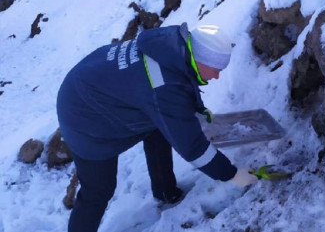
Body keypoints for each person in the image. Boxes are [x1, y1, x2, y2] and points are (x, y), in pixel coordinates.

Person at [56, 23, 258, 232]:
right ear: (200, 60)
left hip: (92, 82)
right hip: (83, 115)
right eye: (216, 69)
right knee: (98, 190)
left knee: (159, 127)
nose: (217, 76)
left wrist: (193, 109)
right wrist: (231, 174)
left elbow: (176, 84)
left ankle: (165, 191)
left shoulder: (173, 46)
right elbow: (193, 147)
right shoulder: (163, 88)